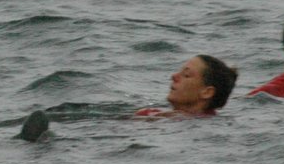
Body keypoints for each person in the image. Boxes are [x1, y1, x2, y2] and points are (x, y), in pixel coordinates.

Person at [18, 54, 237, 140]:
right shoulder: (160, 114)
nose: (174, 76)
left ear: (206, 92)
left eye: (186, 74)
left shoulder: (191, 126)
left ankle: (50, 140)